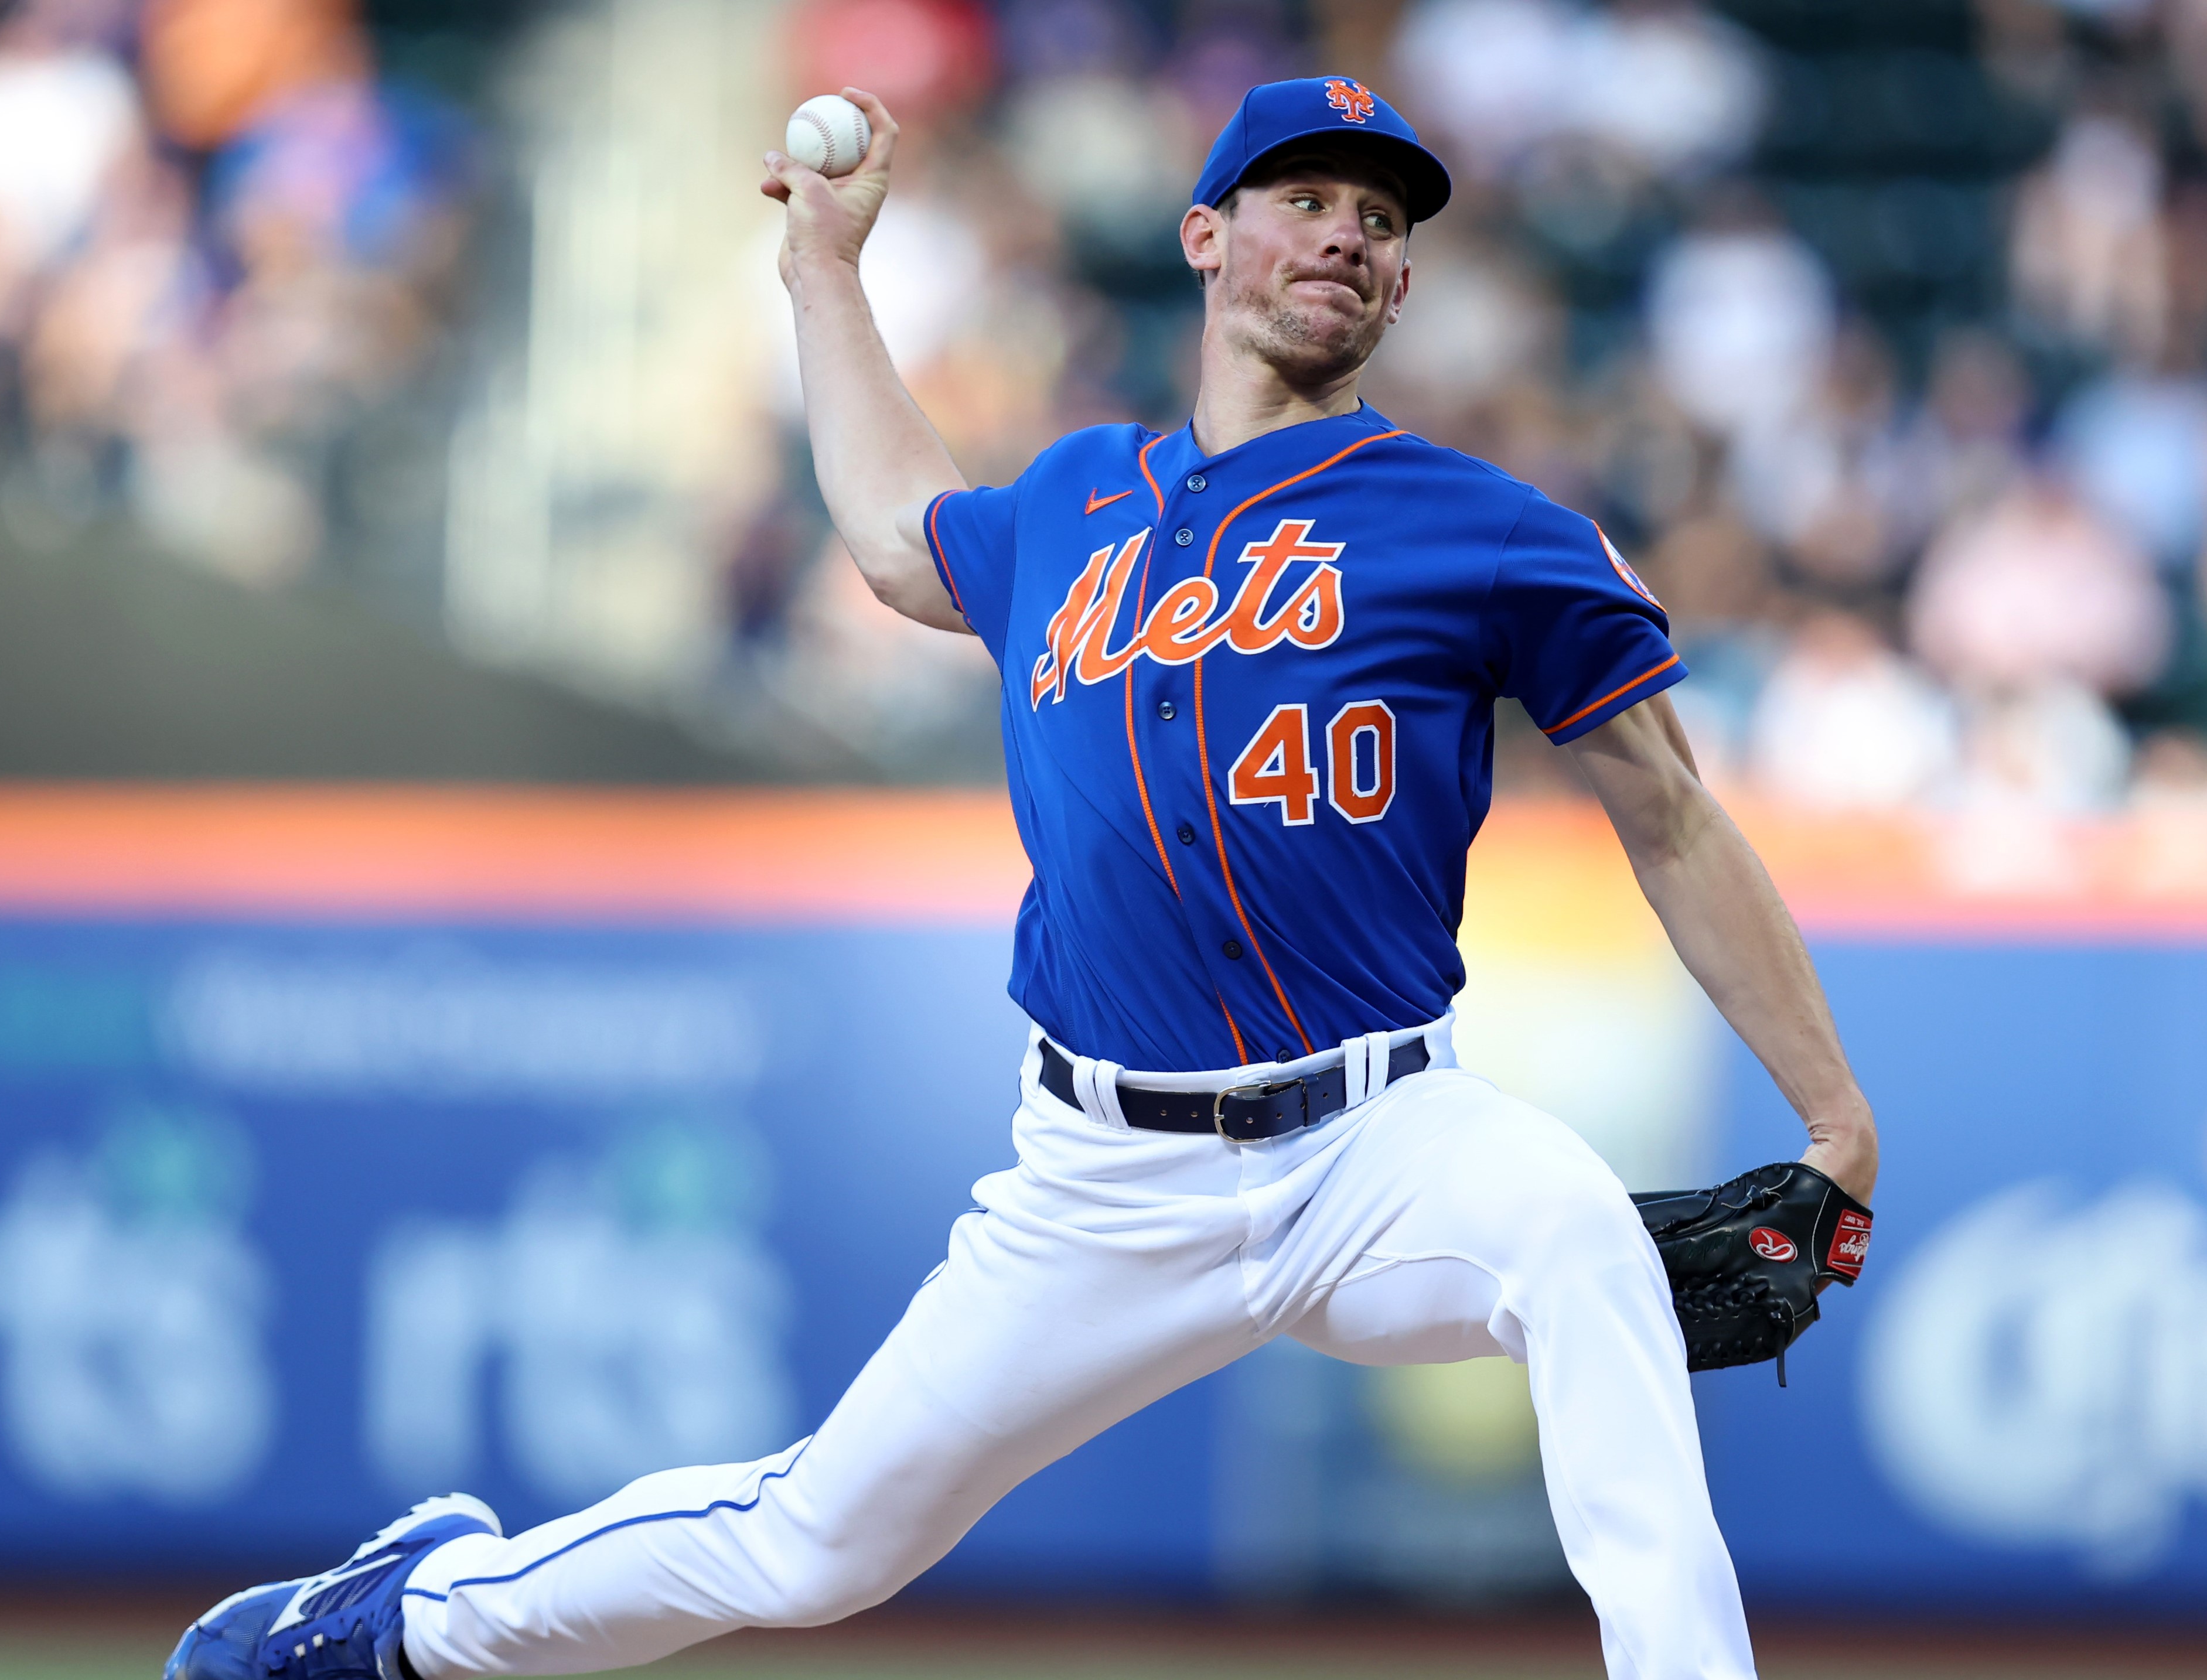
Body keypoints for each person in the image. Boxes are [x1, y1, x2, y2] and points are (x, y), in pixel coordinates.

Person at [164, 76, 1879, 1680]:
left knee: (1577, 1240)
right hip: (1101, 1179)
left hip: (1380, 1142)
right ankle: (413, 1617)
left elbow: (1672, 816)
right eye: (1303, 199)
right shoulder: (1074, 499)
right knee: (814, 1544)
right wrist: (823, 272)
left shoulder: (1484, 528)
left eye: (1380, 218)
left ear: (1404, 283)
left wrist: (1829, 1111)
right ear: (1205, 236)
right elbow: (898, 536)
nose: (1347, 235)